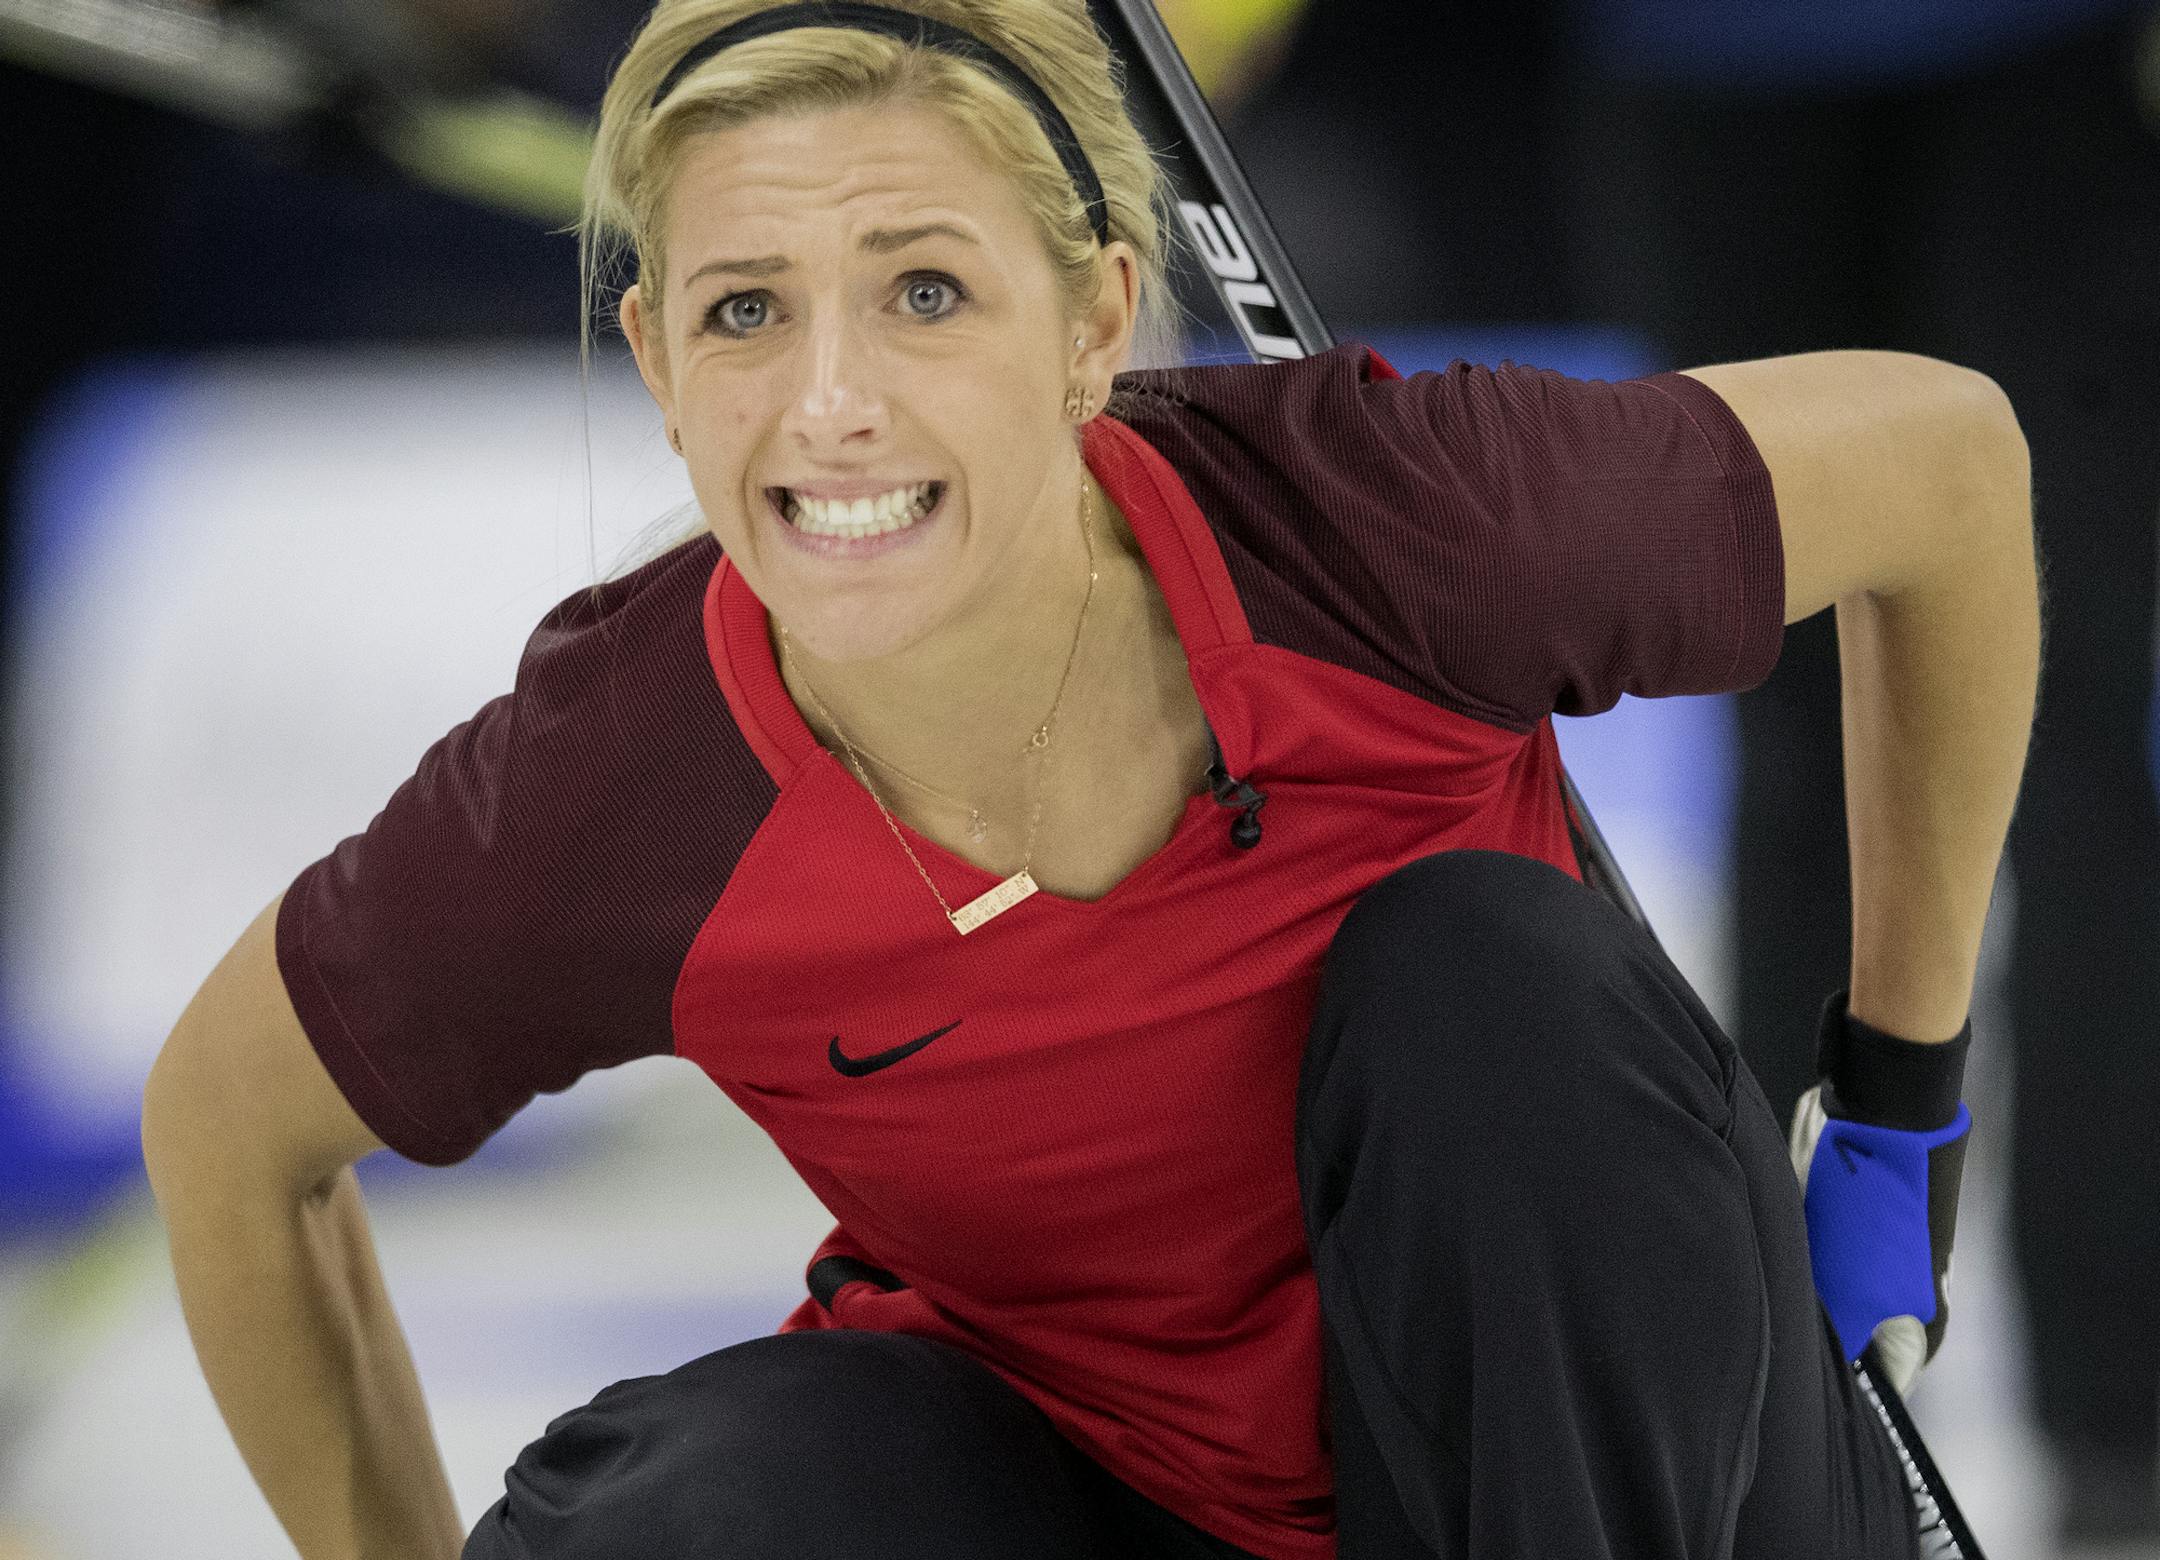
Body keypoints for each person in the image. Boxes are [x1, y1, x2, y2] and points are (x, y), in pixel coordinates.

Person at [137, 1, 2039, 1555]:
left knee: (1482, 975)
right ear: (651, 354)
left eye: (927, 292)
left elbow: (1947, 473)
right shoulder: (624, 777)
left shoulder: (1386, 519)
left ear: (1100, 322)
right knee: (718, 1505)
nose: (831, 403)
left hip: (1641, 1488)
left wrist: (1900, 1102)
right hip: (1139, 1491)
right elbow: (234, 1133)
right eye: (744, 309)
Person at [1556, 5, 2160, 1549]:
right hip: (1715, 57)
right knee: (1785, 695)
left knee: (2075, 726)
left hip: (2032, 55)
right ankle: (1795, 1390)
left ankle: (2114, 1416)